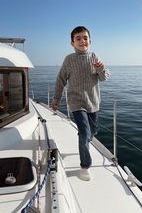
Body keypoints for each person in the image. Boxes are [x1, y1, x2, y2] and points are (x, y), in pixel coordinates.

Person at [52, 26, 110, 181]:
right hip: (76, 102)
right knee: (84, 132)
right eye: (78, 38)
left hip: (93, 102)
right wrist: (56, 98)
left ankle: (83, 142)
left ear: (90, 41)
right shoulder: (69, 59)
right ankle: (85, 165)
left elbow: (104, 77)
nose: (82, 41)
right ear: (72, 43)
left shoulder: (94, 57)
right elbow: (61, 80)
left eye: (85, 38)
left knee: (92, 132)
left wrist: (100, 69)